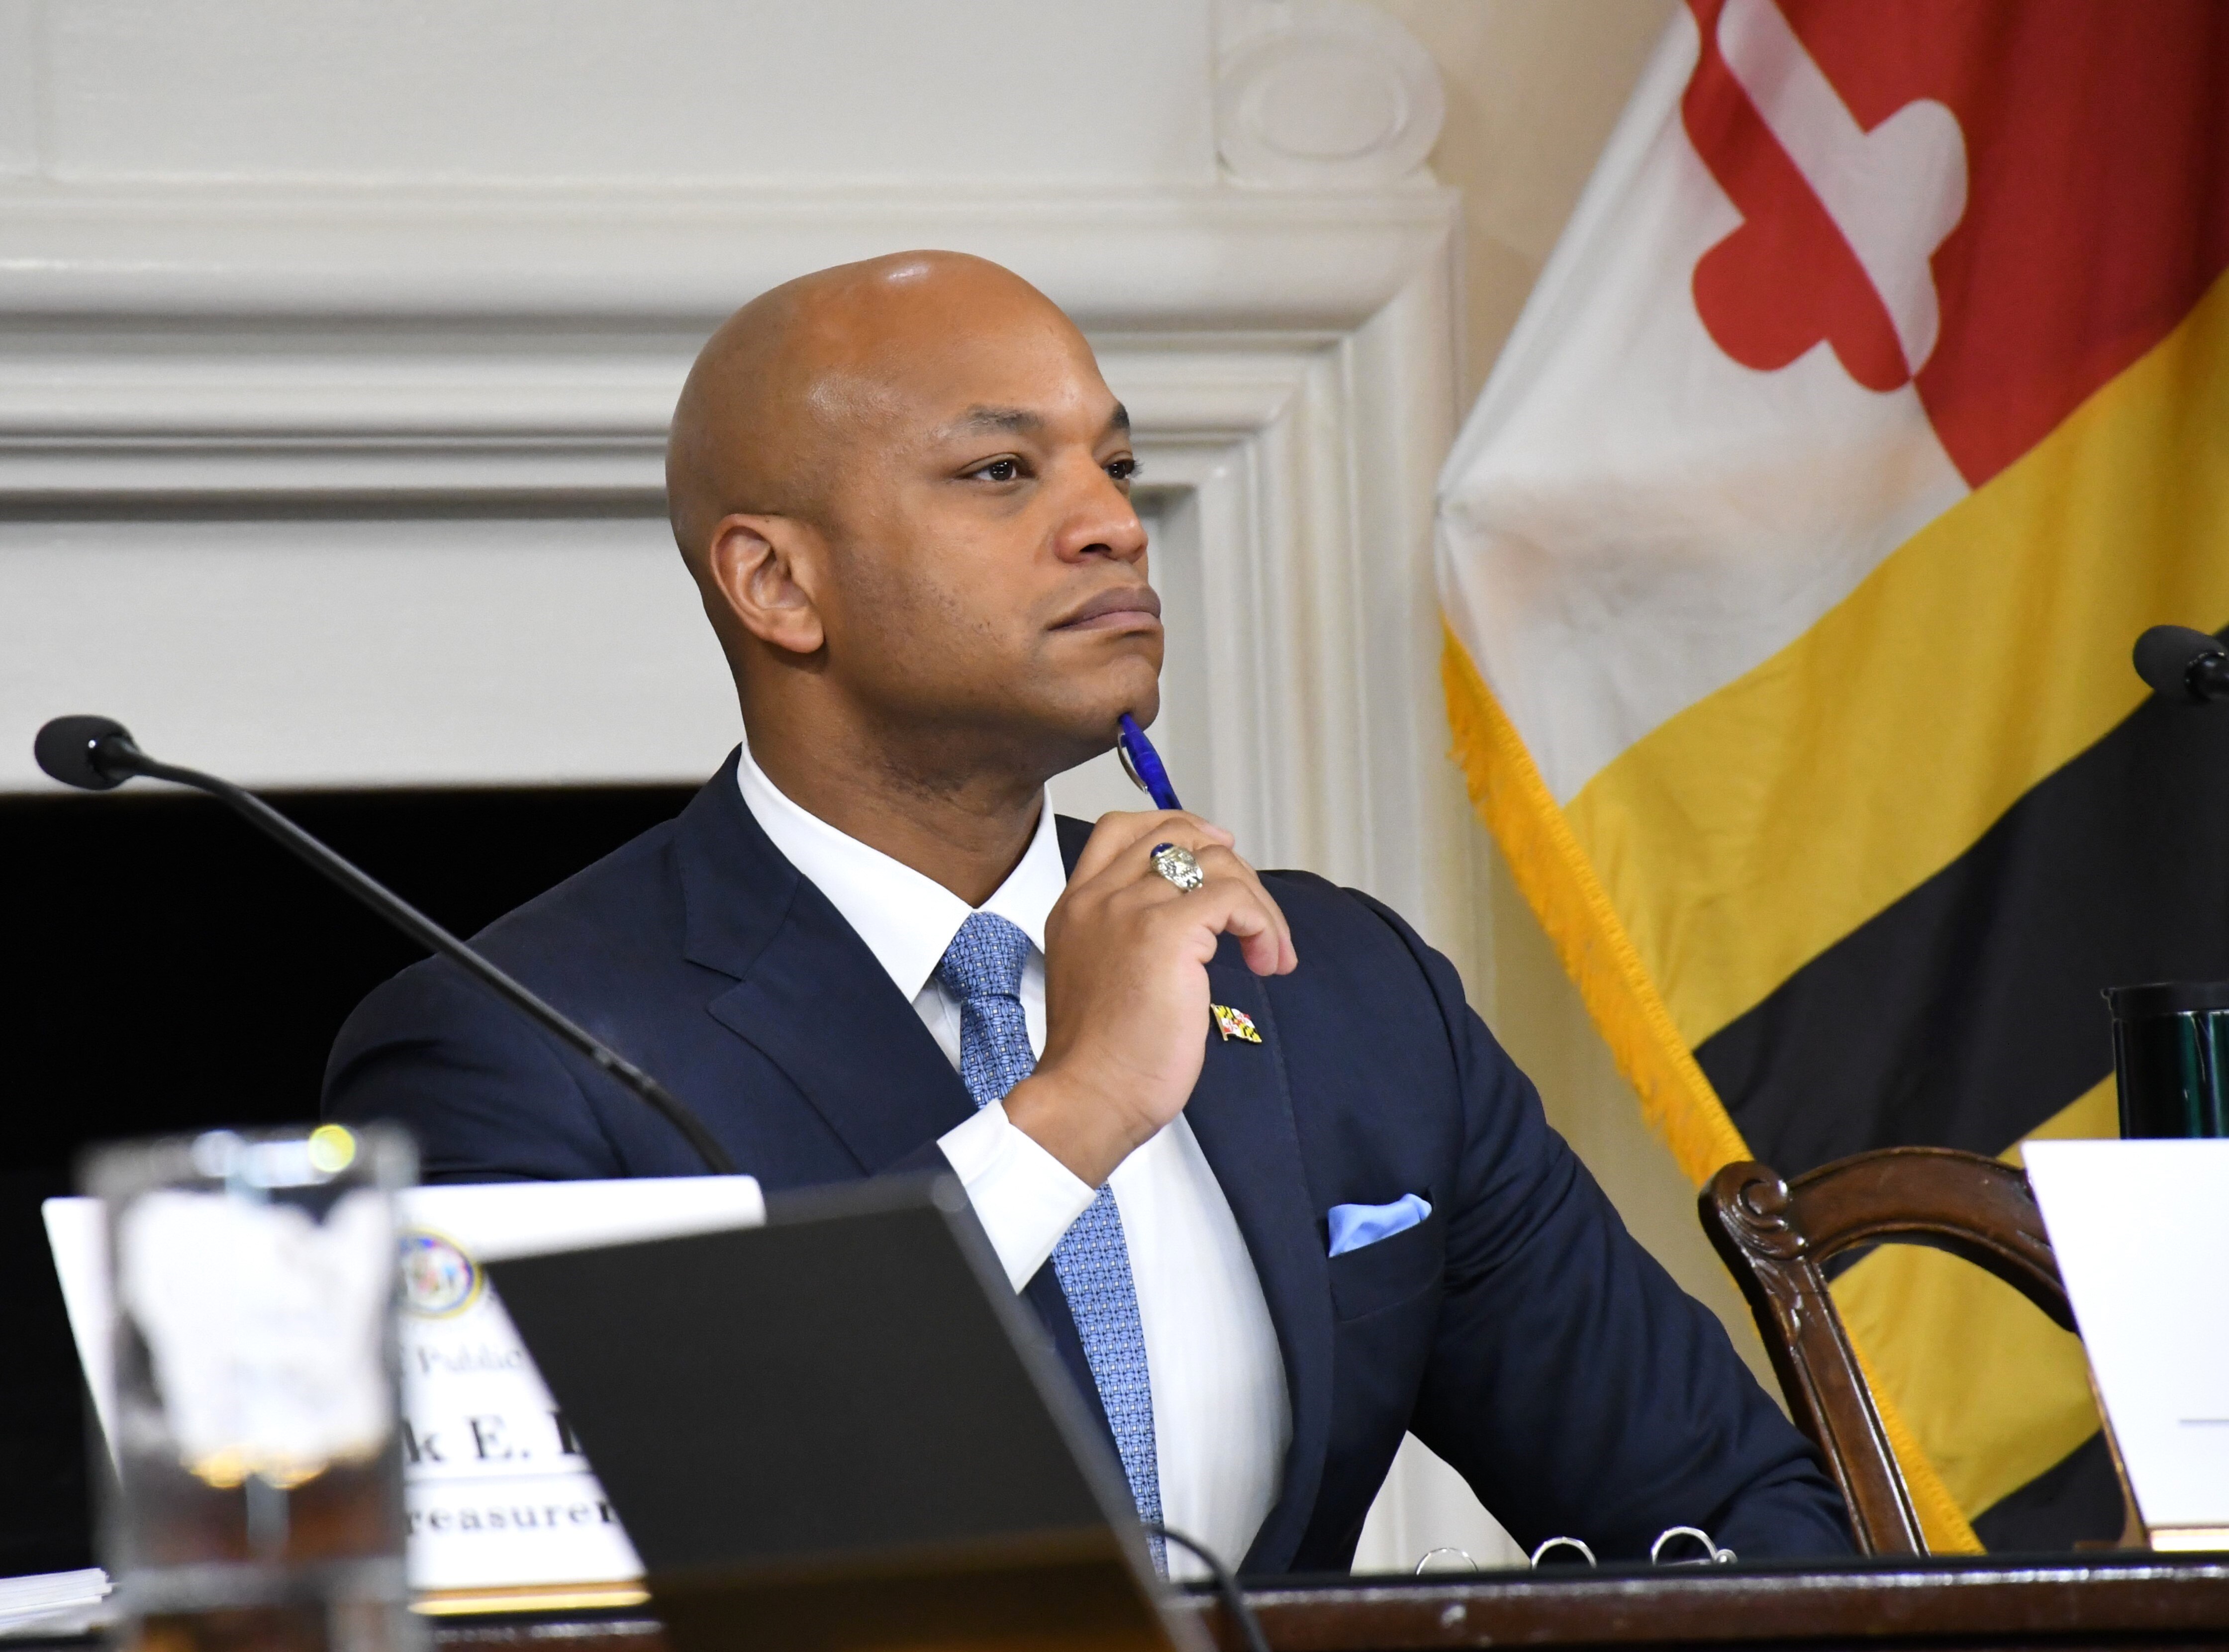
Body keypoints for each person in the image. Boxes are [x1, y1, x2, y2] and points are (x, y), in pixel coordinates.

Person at [325, 251, 1853, 1575]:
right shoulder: (517, 1042)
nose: (1113, 524)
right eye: (1003, 473)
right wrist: (1073, 1110)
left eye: (1112, 468)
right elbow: (549, 1577)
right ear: (778, 584)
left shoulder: (1343, 990)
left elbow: (1731, 1509)